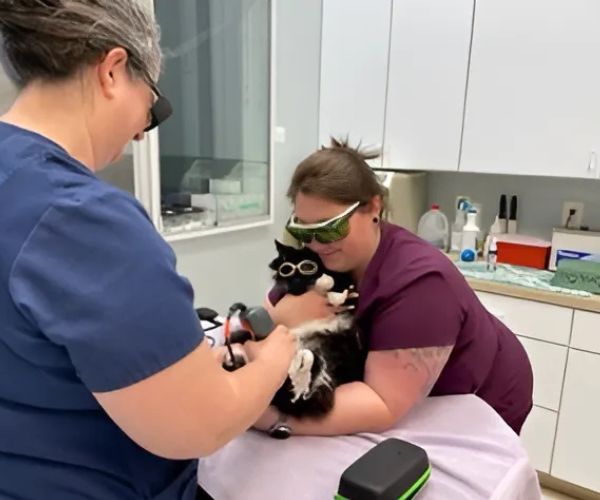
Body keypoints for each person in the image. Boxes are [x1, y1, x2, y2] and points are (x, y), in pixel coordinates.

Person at [0, 1, 297, 499]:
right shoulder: (82, 220)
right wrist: (276, 357)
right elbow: (200, 425)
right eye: (153, 105)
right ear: (113, 71)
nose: (142, 131)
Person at [257, 138, 534, 437]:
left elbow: (381, 403)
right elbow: (265, 316)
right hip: (388, 385)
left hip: (481, 396)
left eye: (330, 228)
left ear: (373, 206)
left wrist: (268, 415)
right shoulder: (319, 254)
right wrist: (281, 316)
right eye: (303, 230)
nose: (315, 243)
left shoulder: (422, 284)